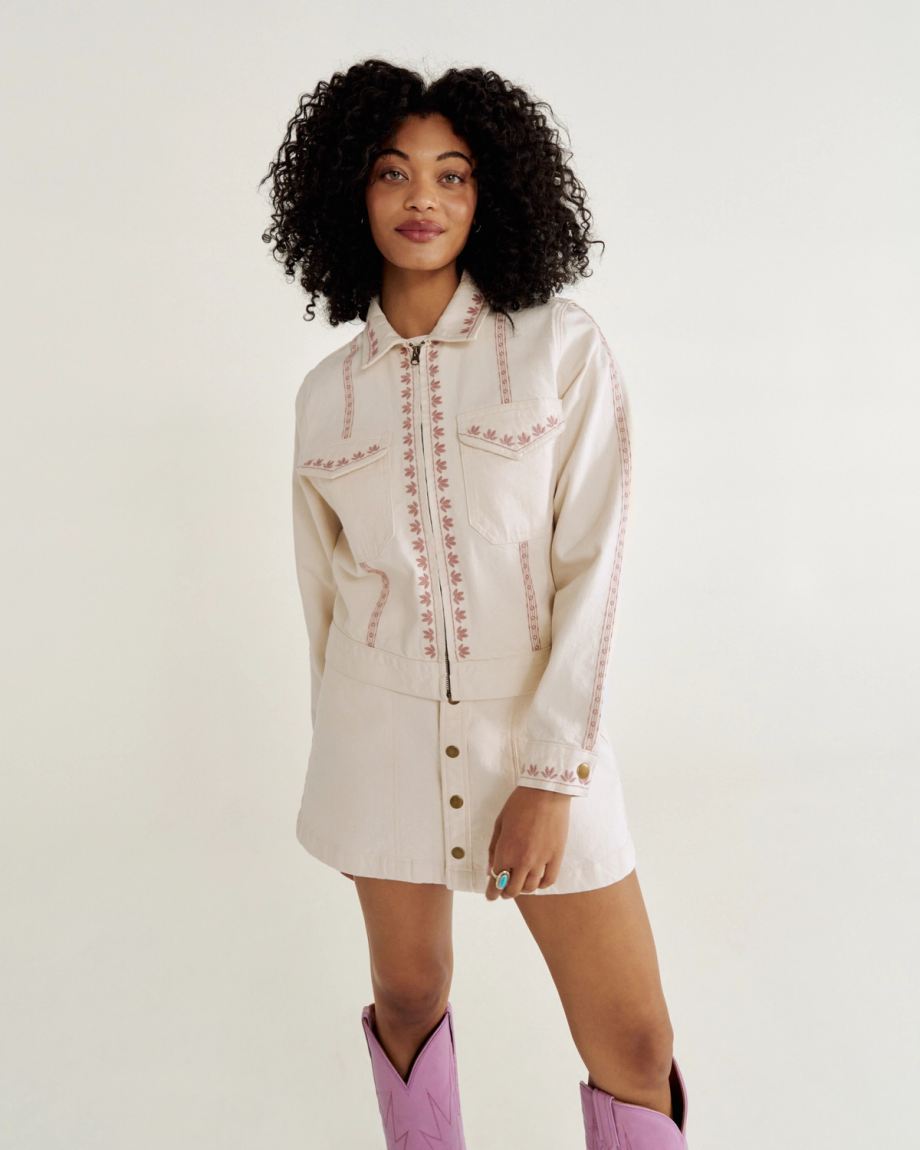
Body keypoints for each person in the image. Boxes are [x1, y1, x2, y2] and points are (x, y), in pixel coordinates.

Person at [260, 58, 690, 1149]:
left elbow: (591, 567)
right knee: (406, 999)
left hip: (539, 741)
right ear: (349, 195)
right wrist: (350, 759)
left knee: (633, 1043)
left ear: (489, 193)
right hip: (378, 738)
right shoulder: (325, 396)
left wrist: (549, 776)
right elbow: (321, 600)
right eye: (394, 174)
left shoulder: (559, 349)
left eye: (452, 177)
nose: (422, 200)